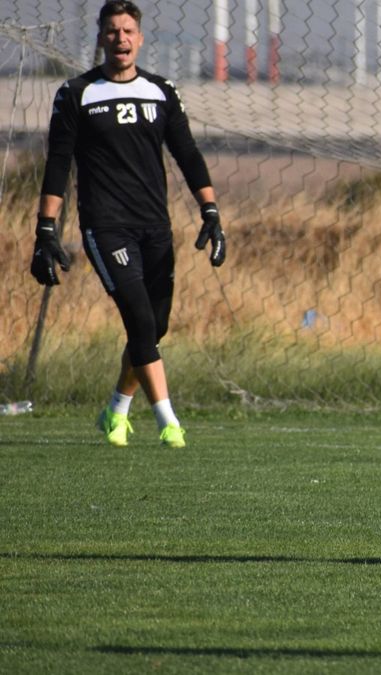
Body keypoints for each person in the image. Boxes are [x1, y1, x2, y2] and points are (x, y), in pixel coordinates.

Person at [30, 0, 227, 449]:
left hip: (155, 226)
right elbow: (58, 164)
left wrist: (210, 211)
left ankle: (116, 410)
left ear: (139, 38)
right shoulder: (77, 93)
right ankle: (168, 422)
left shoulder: (161, 91)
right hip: (106, 226)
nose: (120, 38)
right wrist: (46, 227)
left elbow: (188, 154)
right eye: (112, 31)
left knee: (153, 328)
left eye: (127, 31)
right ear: (101, 38)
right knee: (139, 318)